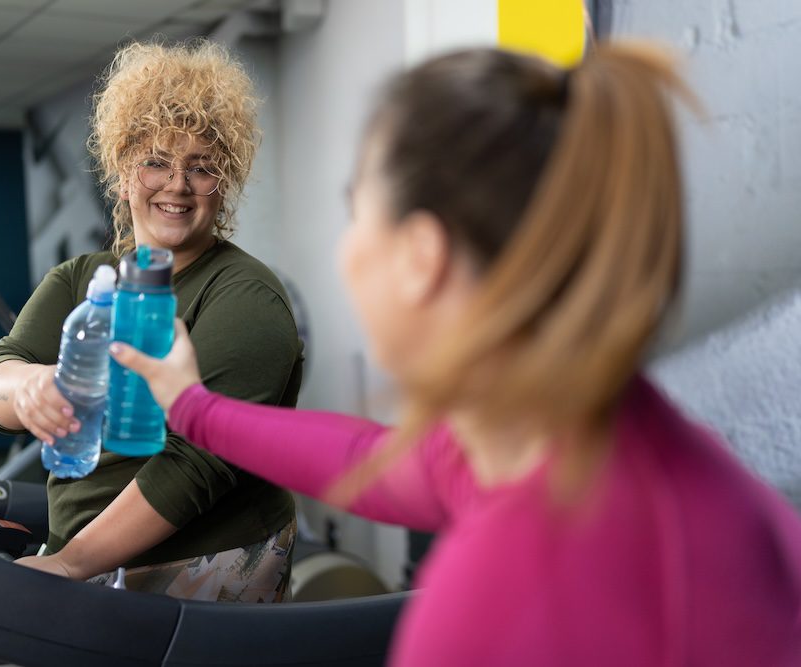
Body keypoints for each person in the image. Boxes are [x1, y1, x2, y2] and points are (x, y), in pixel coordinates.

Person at [109, 44, 801, 664]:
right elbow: (373, 460)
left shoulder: (501, 594)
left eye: (357, 213)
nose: (347, 249)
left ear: (421, 256)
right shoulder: (583, 435)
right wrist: (193, 407)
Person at [0, 40, 304, 603]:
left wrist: (74, 563)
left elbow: (196, 464)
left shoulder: (245, 295)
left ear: (224, 184)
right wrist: (25, 387)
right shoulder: (82, 279)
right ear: (124, 173)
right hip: (84, 556)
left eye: (202, 168)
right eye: (156, 162)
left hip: (198, 564)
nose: (177, 184)